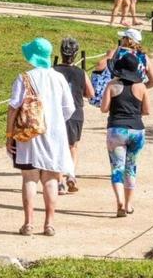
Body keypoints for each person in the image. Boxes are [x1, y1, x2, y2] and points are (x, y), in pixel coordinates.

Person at [7, 37, 75, 237]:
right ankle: (49, 224)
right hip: (54, 134)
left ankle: (28, 224)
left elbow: (13, 108)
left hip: (29, 134)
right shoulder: (59, 78)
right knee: (51, 179)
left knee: (29, 178)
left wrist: (9, 134)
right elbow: (69, 108)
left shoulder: (25, 77)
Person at [100, 51, 149, 217]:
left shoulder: (112, 85)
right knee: (131, 168)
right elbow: (147, 110)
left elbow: (104, 108)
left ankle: (119, 202)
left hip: (116, 130)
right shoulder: (141, 87)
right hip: (137, 129)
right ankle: (128, 205)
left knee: (117, 168)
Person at [53, 37, 94, 194]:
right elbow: (91, 93)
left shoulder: (53, 70)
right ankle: (71, 174)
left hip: (57, 113)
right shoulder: (81, 72)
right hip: (76, 113)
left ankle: (60, 182)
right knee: (72, 146)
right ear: (76, 54)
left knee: (57, 147)